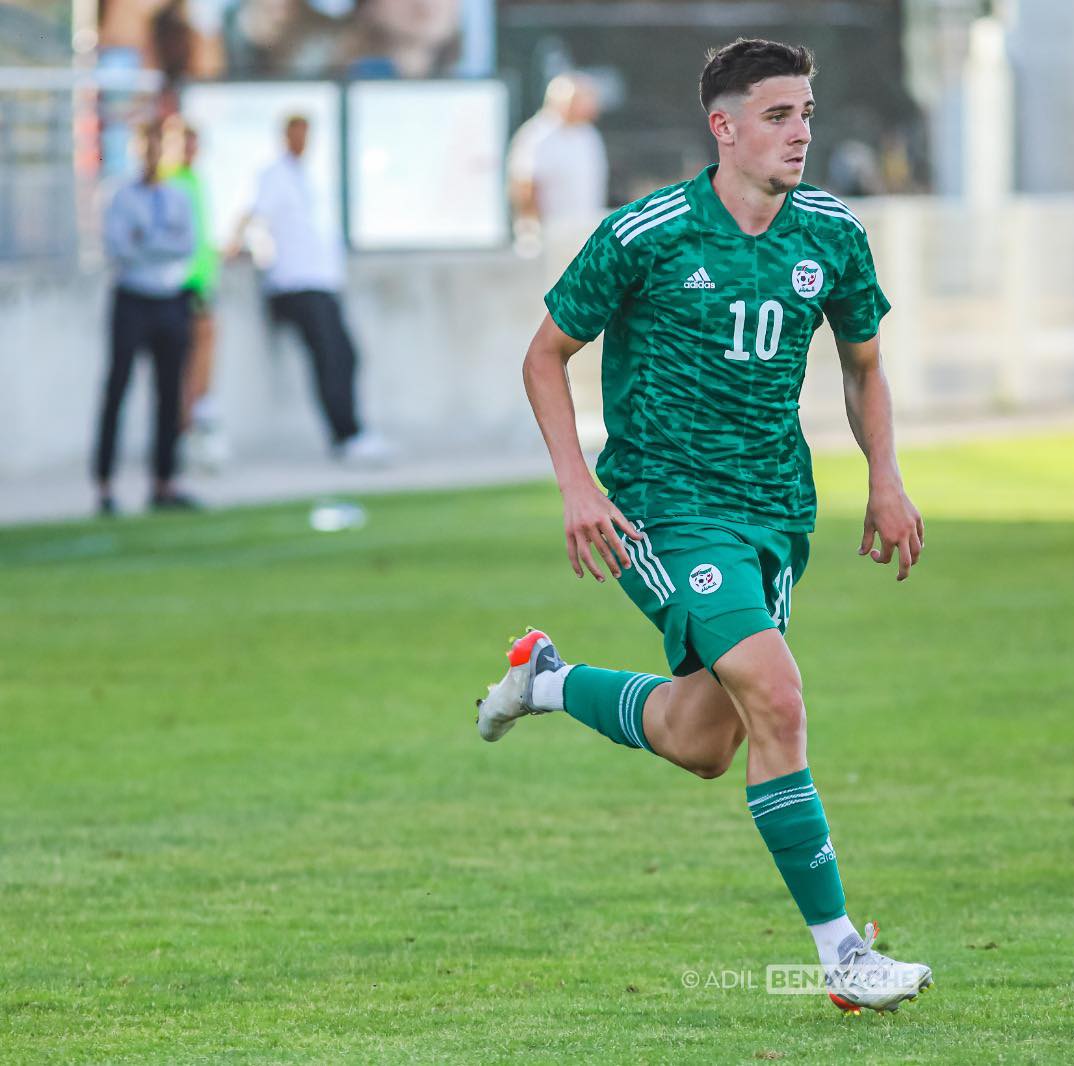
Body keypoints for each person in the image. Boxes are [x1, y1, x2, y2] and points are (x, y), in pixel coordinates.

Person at [474, 39, 931, 1015]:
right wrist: (577, 486)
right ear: (723, 127)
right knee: (777, 692)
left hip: (776, 514)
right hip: (662, 505)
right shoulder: (648, 234)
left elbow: (863, 367)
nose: (799, 133)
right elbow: (545, 355)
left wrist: (885, 479)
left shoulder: (832, 235)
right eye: (777, 115)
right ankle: (844, 955)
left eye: (805, 114)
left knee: (702, 739)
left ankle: (545, 681)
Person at [232, 114, 389, 463]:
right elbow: (253, 213)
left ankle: (354, 430)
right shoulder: (274, 175)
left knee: (347, 356)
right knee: (328, 357)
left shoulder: (306, 177)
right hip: (296, 284)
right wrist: (232, 245)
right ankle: (345, 436)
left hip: (322, 282)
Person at [95, 120, 200, 515]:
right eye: (147, 145)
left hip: (170, 300)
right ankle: (105, 483)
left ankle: (165, 482)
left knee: (170, 393)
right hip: (132, 299)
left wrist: (146, 240)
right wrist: (158, 243)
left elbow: (186, 245)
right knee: (117, 388)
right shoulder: (119, 196)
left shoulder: (178, 197)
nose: (153, 154)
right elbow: (119, 248)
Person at [161, 119, 226, 469]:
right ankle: (182, 431)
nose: (190, 150)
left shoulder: (197, 181)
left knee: (203, 349)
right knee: (180, 362)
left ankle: (196, 421)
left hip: (200, 284)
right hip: (178, 286)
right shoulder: (168, 182)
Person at [505, 73, 607, 247]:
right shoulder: (538, 136)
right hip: (550, 233)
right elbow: (524, 186)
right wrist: (532, 230)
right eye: (584, 100)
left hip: (585, 232)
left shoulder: (588, 135)